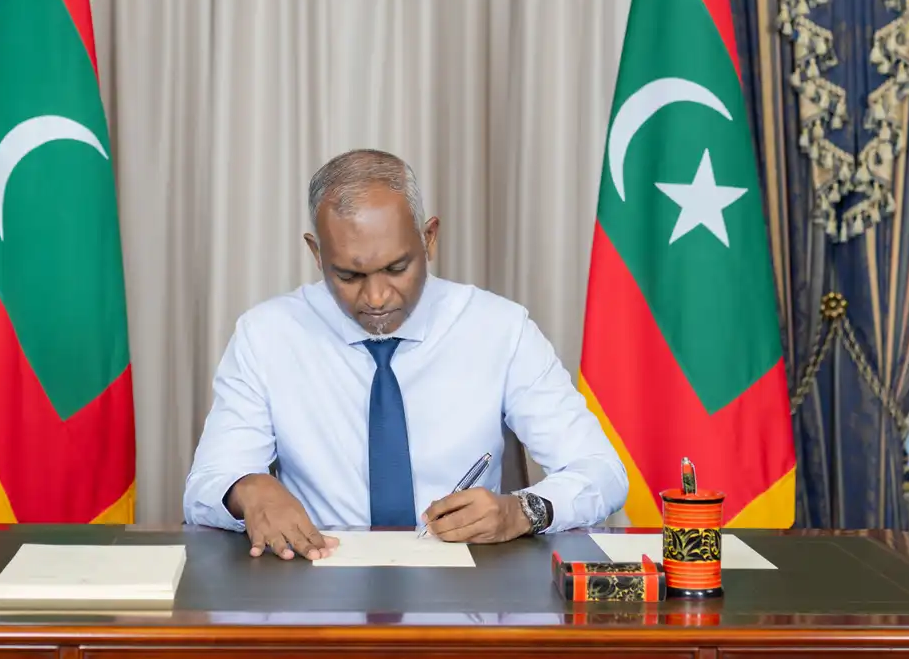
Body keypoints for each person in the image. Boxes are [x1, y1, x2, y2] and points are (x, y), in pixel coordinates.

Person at [183, 149, 628, 560]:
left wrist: (524, 511)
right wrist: (248, 489)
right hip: (318, 578)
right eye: (349, 275)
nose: (376, 297)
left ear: (429, 238)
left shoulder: (501, 329)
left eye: (396, 268)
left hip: (468, 587)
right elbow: (204, 488)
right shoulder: (266, 335)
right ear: (317, 254)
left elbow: (602, 472)